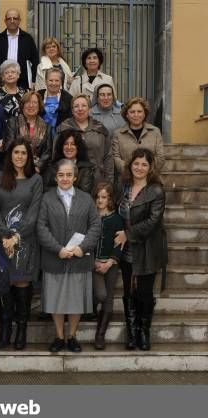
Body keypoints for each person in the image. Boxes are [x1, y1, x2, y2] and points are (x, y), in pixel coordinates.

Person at [37, 159, 101, 353]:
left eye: (68, 175)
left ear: (75, 176)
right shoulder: (46, 198)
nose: (65, 178)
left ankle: (72, 336)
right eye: (61, 175)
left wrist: (82, 247)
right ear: (56, 177)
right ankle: (59, 336)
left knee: (75, 301)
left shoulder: (86, 199)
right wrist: (58, 249)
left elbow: (96, 226)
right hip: (55, 258)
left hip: (79, 259)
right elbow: (41, 227)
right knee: (55, 299)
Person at [0, 139, 42, 349]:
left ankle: (22, 329)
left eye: (24, 153)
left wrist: (16, 237)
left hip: (26, 242)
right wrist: (4, 236)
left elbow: (33, 214)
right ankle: (5, 329)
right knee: (5, 284)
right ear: (10, 155)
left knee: (22, 284)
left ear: (28, 157)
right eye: (16, 152)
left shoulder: (35, 180)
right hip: (2, 241)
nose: (19, 156)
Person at [115, 148, 167, 351]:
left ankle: (144, 331)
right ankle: (132, 332)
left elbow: (153, 221)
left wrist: (128, 234)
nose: (139, 167)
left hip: (147, 248)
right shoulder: (122, 187)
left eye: (144, 164)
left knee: (145, 292)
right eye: (136, 163)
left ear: (150, 167)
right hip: (126, 249)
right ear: (130, 165)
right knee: (129, 290)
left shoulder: (156, 191)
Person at [91, 182, 124, 350]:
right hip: (94, 264)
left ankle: (100, 334)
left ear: (110, 199)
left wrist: (110, 261)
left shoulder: (117, 218)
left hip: (111, 263)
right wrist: (94, 262)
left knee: (109, 296)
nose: (100, 200)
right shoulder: (90, 217)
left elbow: (119, 244)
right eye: (97, 197)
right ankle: (90, 308)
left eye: (103, 197)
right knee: (101, 295)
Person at [58, 94, 113, 184]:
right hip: (70, 180)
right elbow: (56, 155)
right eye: (76, 106)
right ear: (72, 110)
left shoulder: (100, 129)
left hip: (97, 180)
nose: (80, 109)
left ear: (90, 109)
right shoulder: (63, 129)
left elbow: (108, 157)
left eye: (84, 105)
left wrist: (109, 182)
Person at [112, 96, 165, 177]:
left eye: (139, 111)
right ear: (127, 114)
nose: (136, 115)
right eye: (132, 112)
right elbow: (116, 158)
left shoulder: (155, 132)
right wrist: (132, 171)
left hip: (150, 179)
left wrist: (145, 171)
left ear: (144, 114)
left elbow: (160, 157)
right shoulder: (118, 134)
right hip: (126, 180)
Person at [0, 9, 39, 90]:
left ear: (19, 20)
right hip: (1, 84)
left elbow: (35, 61)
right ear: (5, 21)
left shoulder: (27, 39)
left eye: (15, 18)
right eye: (9, 19)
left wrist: (33, 81)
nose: (12, 21)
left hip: (23, 83)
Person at [5, 91, 53, 174]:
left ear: (39, 106)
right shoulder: (13, 122)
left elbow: (48, 151)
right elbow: (8, 146)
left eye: (34, 102)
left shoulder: (47, 126)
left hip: (37, 172)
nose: (31, 105)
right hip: (15, 169)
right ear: (22, 105)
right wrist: (19, 166)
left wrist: (38, 167)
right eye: (27, 102)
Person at [44, 129, 95, 194]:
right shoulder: (53, 166)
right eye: (65, 144)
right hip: (54, 202)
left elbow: (84, 194)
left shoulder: (86, 168)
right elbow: (46, 189)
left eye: (73, 144)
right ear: (61, 146)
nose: (69, 147)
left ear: (78, 147)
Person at [37, 68, 73, 135]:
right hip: (39, 136)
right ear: (45, 81)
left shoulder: (68, 98)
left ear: (61, 82)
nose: (54, 83)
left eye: (57, 80)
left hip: (61, 136)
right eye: (50, 80)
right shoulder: (38, 95)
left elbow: (70, 120)